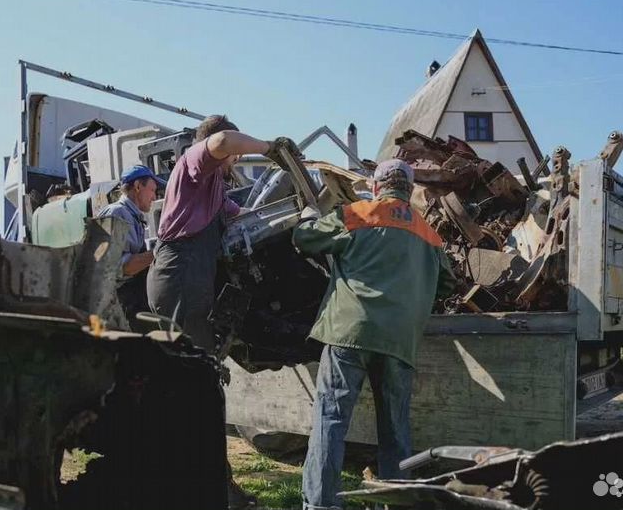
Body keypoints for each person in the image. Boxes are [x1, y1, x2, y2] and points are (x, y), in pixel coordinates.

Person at [294, 159, 456, 510]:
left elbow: (305, 239)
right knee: (395, 430)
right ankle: (397, 502)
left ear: (377, 185)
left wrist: (308, 215)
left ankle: (321, 505)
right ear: (409, 189)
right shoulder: (428, 232)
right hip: (400, 341)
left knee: (331, 422)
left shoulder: (358, 213)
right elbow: (448, 282)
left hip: (349, 332)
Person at [147, 114, 297, 352]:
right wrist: (269, 148)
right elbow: (224, 140)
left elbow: (245, 213)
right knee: (193, 364)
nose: (236, 159)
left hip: (188, 277)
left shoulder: (212, 187)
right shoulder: (192, 160)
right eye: (234, 155)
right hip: (180, 276)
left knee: (200, 359)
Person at [98, 164, 165, 329]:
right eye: (152, 190)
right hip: (120, 304)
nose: (154, 197)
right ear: (137, 186)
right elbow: (122, 267)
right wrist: (161, 252)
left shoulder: (133, 216)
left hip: (131, 299)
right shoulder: (116, 213)